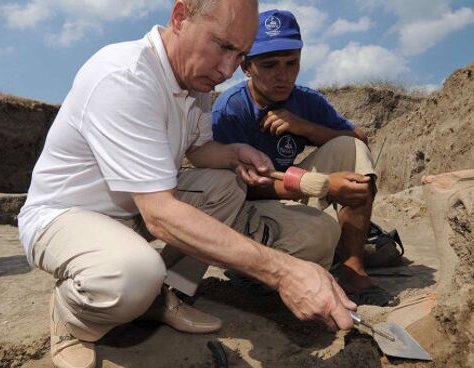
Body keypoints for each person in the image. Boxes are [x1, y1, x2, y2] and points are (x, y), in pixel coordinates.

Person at [18, 1, 355, 367]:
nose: (228, 70)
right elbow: (160, 214)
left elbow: (199, 149)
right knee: (133, 273)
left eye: (239, 54)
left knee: (225, 186)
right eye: (223, 46)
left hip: (129, 210)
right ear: (180, 18)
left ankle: (162, 296)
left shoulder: (194, 79)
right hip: (64, 216)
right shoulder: (124, 77)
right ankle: (71, 315)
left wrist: (233, 153)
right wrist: (284, 272)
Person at [211, 9, 394, 307]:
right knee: (322, 234)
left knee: (350, 147)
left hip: (286, 193)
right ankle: (247, 267)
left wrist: (304, 127)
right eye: (269, 65)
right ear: (246, 66)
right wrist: (318, 185)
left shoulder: (305, 100)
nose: (283, 75)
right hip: (242, 206)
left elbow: (359, 139)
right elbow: (237, 188)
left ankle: (352, 268)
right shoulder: (230, 111)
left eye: (291, 63)